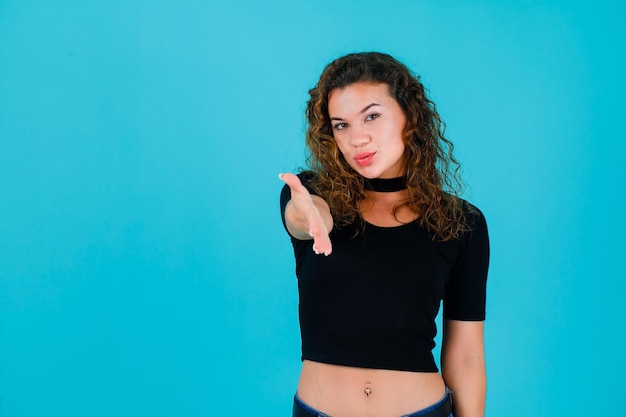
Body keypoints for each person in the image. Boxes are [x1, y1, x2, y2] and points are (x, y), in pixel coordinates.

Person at [279, 52, 490, 417]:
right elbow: (306, 218)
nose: (357, 138)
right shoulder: (311, 193)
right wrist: (307, 216)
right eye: (341, 125)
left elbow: (467, 356)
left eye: (372, 116)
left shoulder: (461, 222)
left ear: (410, 115)